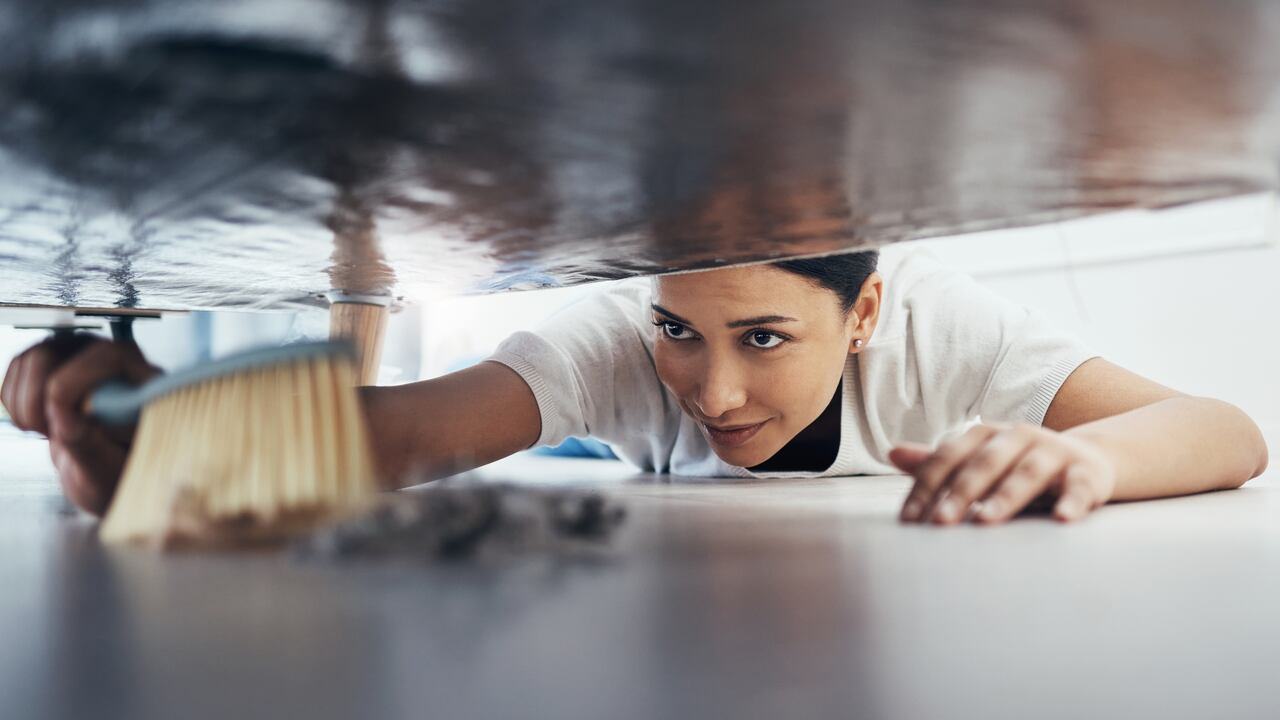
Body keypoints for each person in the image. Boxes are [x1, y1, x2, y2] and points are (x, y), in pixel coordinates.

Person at [1, 246, 1268, 525]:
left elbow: (1226, 428)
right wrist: (159, 425)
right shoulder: (613, 333)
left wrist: (1087, 459)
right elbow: (405, 434)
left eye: (764, 337)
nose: (709, 390)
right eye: (678, 330)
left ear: (863, 311)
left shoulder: (945, 334)